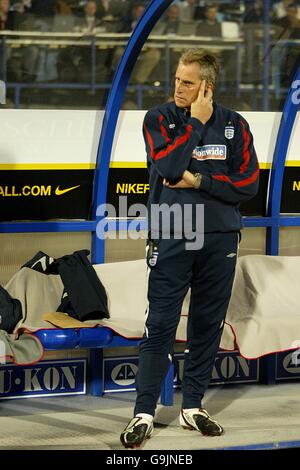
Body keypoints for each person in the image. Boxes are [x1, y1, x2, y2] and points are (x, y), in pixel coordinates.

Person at [120, 48, 259, 449]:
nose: (177, 87)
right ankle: (143, 412)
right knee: (160, 324)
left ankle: (193, 406)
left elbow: (247, 185)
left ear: (206, 86)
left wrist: (199, 182)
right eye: (176, 80)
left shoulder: (235, 124)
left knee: (207, 325)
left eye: (186, 82)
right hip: (173, 235)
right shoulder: (159, 118)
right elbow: (166, 168)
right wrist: (195, 126)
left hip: (220, 239)